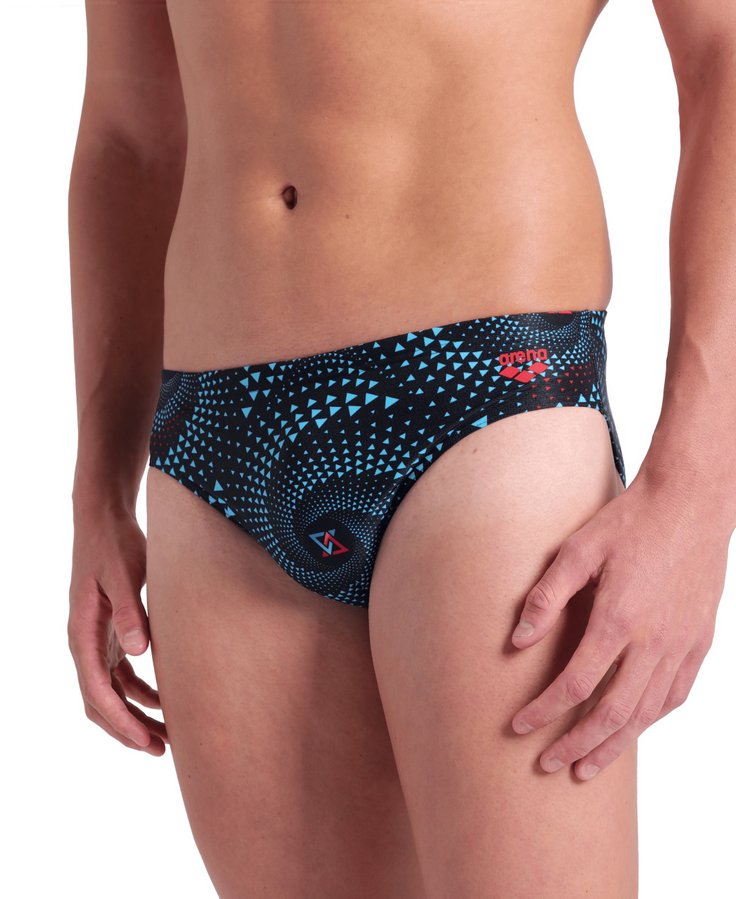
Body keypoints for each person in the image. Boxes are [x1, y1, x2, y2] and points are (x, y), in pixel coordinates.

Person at [66, 1, 735, 896]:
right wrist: (98, 486)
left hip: (484, 397)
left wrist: (697, 491)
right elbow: (130, 137)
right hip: (215, 442)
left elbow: (725, 52)